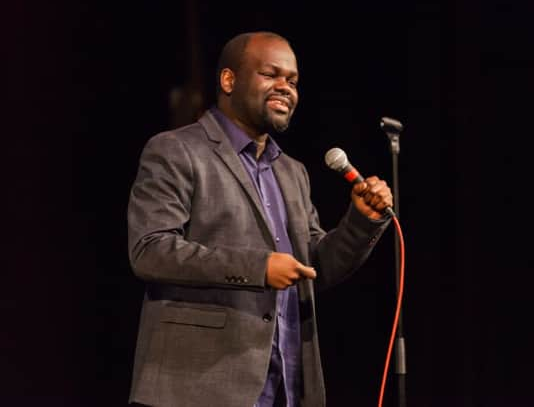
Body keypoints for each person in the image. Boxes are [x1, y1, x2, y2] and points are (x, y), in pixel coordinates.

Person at [126, 31, 393, 407]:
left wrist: (361, 222)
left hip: (286, 386)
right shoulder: (176, 150)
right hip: (199, 387)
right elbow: (150, 250)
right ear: (229, 80)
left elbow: (315, 266)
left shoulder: (292, 172)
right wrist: (258, 268)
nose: (286, 87)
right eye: (271, 74)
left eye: (294, 81)